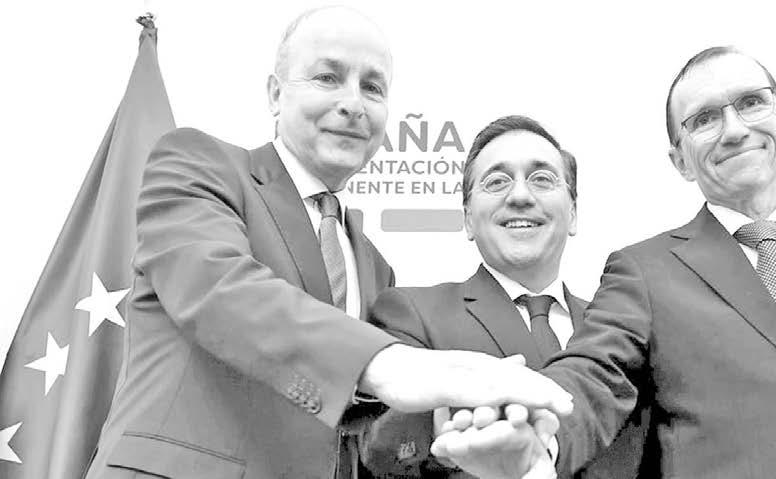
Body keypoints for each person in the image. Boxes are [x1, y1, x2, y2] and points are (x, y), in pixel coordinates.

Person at [433, 46, 776, 478]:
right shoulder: (645, 272)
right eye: (703, 119)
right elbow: (595, 376)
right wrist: (538, 431)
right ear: (679, 160)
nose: (735, 128)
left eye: (751, 103)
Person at [83, 7, 570, 479]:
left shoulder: (374, 266)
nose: (353, 103)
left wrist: (451, 426)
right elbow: (220, 291)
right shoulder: (197, 164)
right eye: (327, 78)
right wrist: (394, 366)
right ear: (275, 94)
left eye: (372, 87)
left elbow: (354, 423)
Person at [360, 115, 650, 478]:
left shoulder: (622, 332)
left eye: (542, 179)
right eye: (496, 182)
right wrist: (448, 421)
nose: (520, 196)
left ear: (573, 212)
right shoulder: (410, 312)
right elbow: (376, 445)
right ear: (468, 218)